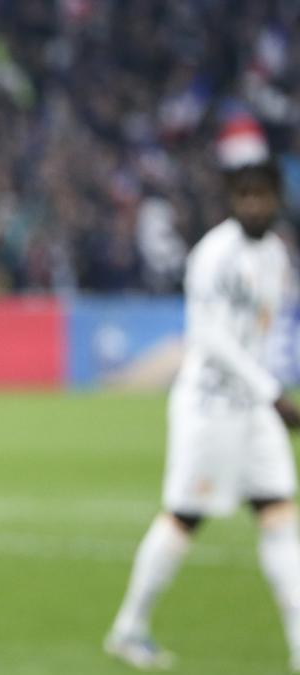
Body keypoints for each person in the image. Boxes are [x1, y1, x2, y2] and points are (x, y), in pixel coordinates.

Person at [104, 156, 300, 671]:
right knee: (184, 517)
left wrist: (264, 392)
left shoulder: (276, 256)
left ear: (278, 199)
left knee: (279, 511)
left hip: (254, 409)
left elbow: (262, 331)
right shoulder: (213, 255)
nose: (254, 205)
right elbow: (209, 337)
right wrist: (270, 391)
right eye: (245, 196)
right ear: (233, 201)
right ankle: (128, 627)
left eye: (263, 196)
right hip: (209, 406)